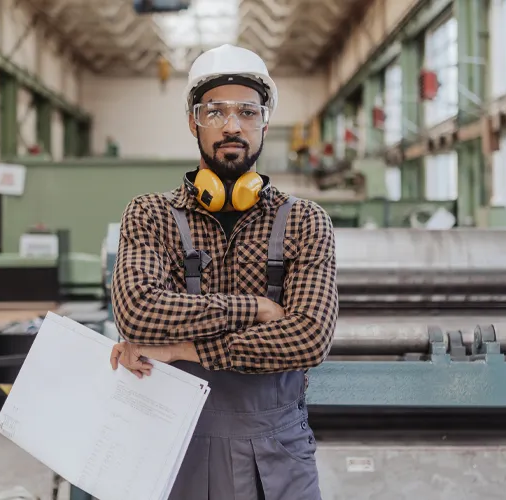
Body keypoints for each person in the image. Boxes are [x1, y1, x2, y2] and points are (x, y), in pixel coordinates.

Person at [109, 44, 338, 500]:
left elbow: (310, 336)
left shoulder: (306, 221)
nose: (232, 125)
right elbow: (137, 314)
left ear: (265, 123)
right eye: (215, 111)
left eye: (247, 111)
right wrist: (255, 307)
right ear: (193, 121)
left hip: (280, 457)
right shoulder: (150, 214)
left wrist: (182, 347)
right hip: (177, 445)